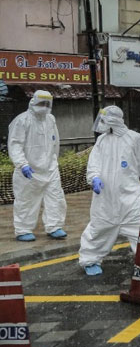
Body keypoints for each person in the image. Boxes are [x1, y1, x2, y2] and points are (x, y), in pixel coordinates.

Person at [78, 106, 140, 276]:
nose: (101, 123)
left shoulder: (134, 139)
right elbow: (94, 163)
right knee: (99, 228)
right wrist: (94, 178)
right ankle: (90, 259)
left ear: (112, 120)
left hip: (131, 194)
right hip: (105, 195)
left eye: (104, 120)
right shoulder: (102, 141)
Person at [8, 90, 67, 241]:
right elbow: (15, 144)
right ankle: (23, 229)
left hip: (50, 167)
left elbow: (55, 142)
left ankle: (54, 226)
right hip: (29, 169)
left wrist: (54, 160)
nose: (45, 106)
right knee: (26, 200)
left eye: (48, 103)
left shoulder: (50, 119)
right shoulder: (22, 120)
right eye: (42, 103)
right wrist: (22, 164)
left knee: (56, 198)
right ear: (33, 102)